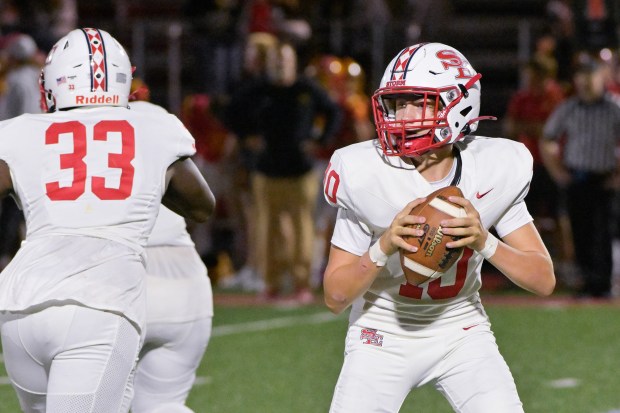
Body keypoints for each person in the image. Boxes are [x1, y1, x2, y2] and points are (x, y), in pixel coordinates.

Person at [322, 42, 555, 412]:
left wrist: (485, 242)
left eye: (418, 102)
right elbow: (335, 296)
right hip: (380, 334)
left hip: (461, 331)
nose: (403, 115)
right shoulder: (364, 174)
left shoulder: (495, 168)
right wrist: (383, 245)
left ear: (458, 104)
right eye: (398, 104)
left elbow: (543, 280)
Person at [0, 27, 215, 413]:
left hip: (21, 308)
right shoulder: (157, 127)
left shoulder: (19, 132)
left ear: (54, 82)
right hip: (102, 303)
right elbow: (202, 206)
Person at [225, 39, 341, 303]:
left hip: (301, 170)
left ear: (294, 64)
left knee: (303, 227)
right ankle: (271, 283)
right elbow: (230, 112)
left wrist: (321, 140)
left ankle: (302, 283)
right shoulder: (257, 89)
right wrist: (247, 136)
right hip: (266, 170)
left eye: (285, 61)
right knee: (267, 230)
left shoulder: (306, 89)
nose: (281, 66)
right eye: (277, 61)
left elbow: (334, 112)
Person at [126, 99, 213, 413]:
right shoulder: (159, 120)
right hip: (186, 281)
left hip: (121, 276)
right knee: (163, 405)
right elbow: (203, 205)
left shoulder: (77, 128)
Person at [541, 55, 620, 298]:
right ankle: (586, 281)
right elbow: (548, 139)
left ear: (601, 77)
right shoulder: (569, 107)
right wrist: (559, 172)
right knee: (580, 229)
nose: (585, 82)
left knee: (604, 232)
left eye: (590, 76)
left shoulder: (614, 106)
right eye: (581, 77)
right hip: (578, 177)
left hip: (605, 178)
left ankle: (604, 284)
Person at [0, 33, 42, 270]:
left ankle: (5, 254)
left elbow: (5, 118)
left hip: (19, 146)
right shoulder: (40, 77)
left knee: (11, 205)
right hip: (44, 146)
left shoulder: (15, 79)